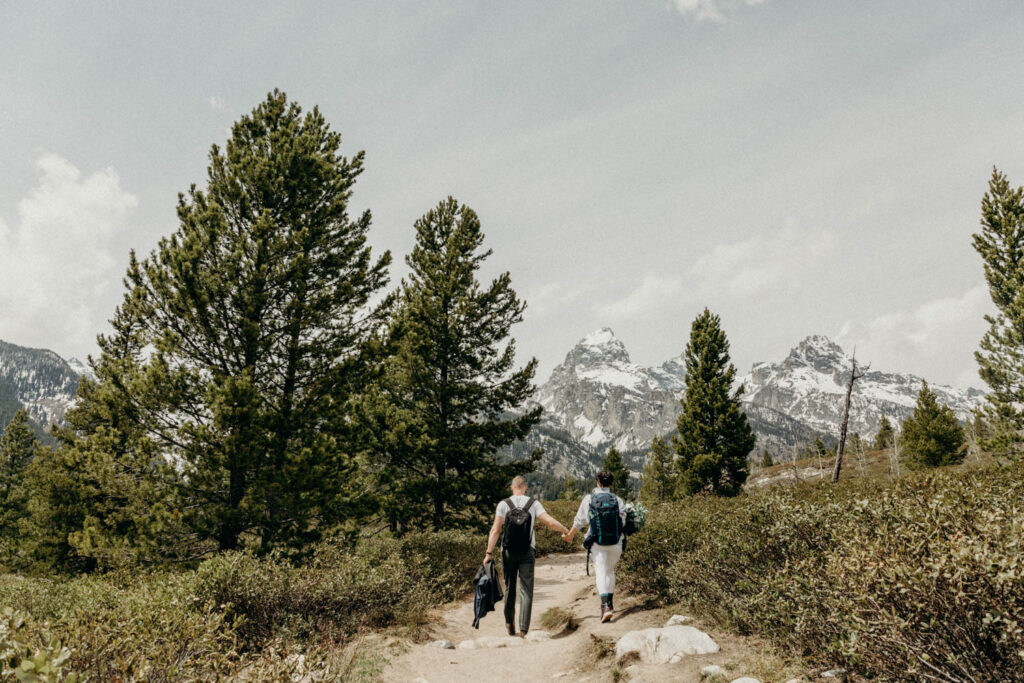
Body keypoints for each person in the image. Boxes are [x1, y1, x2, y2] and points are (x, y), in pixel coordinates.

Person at [484, 475, 572, 636]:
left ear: (512, 487)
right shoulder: (533, 503)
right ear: (525, 487)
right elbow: (550, 522)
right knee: (526, 589)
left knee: (510, 588)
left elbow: (495, 530)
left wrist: (488, 553)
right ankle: (524, 629)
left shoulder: (504, 504)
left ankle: (509, 623)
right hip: (527, 551)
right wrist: (566, 530)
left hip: (508, 551)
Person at [563, 470, 627, 623]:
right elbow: (623, 522)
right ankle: (610, 604)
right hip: (616, 542)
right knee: (610, 571)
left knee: (600, 572)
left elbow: (579, 521)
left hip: (597, 542)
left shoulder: (589, 499)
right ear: (610, 483)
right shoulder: (618, 500)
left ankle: (605, 607)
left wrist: (569, 535)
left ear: (597, 480)